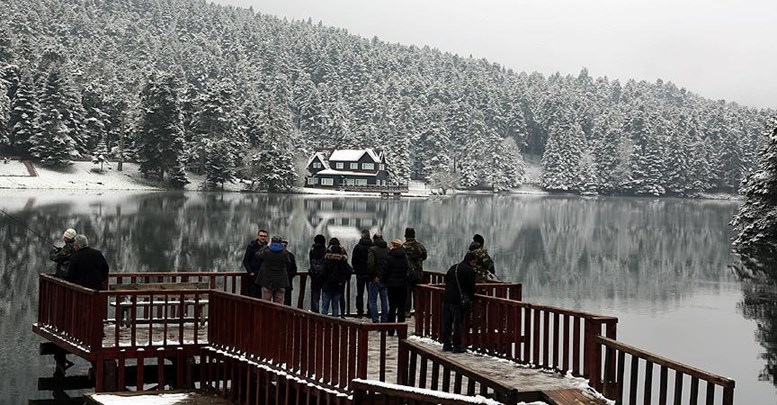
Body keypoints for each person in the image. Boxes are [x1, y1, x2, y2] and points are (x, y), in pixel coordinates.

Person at [440, 252, 476, 353]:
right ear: (471, 260)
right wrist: (470, 300)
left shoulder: (454, 267)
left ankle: (446, 344)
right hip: (458, 301)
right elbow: (471, 288)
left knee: (447, 322)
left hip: (447, 298)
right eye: (475, 262)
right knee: (457, 323)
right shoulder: (469, 271)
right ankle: (457, 346)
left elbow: (446, 280)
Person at [383, 239, 411, 332]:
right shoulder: (404, 257)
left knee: (392, 307)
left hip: (392, 286)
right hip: (402, 285)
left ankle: (391, 330)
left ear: (393, 246)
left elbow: (385, 272)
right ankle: (401, 330)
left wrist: (385, 281)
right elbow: (408, 270)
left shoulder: (389, 257)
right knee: (401, 308)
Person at [321, 238, 351, 317]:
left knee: (325, 306)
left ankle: (323, 322)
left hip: (327, 285)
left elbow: (323, 272)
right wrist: (343, 279)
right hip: (339, 286)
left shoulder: (327, 260)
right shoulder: (342, 261)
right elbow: (348, 270)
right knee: (335, 305)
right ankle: (335, 324)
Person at [256, 236, 291, 303]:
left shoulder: (267, 252)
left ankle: (266, 313)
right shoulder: (284, 253)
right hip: (281, 281)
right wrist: (283, 248)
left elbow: (257, 254)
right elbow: (288, 261)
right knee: (279, 304)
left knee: (266, 303)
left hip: (267, 281)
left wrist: (266, 246)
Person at [402, 227, 427, 317]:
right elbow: (424, 256)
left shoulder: (403, 247)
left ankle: (407, 311)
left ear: (406, 236)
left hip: (407, 274)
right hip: (418, 274)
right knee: (417, 293)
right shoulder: (420, 246)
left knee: (407, 293)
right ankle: (418, 311)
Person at [367, 232, 390, 323]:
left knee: (372, 300)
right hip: (385, 279)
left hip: (375, 279)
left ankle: (375, 320)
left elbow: (370, 264)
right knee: (384, 300)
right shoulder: (388, 250)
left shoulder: (372, 250)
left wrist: (372, 276)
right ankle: (384, 319)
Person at [351, 229, 373, 317]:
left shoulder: (357, 247)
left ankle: (359, 312)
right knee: (371, 294)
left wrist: (356, 269)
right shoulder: (373, 247)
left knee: (360, 293)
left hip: (360, 274)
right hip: (370, 274)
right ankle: (370, 311)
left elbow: (354, 260)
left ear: (361, 236)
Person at [243, 229, 269, 298]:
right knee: (253, 295)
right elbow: (245, 261)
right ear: (258, 236)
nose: (263, 237)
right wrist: (250, 272)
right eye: (261, 236)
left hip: (264, 276)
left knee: (263, 296)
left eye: (264, 236)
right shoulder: (251, 246)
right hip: (254, 275)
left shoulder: (268, 246)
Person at [308, 234, 327, 313]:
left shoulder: (313, 250)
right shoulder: (325, 250)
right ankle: (324, 312)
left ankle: (315, 311)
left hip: (314, 276)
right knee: (325, 295)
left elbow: (310, 261)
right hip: (324, 276)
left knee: (315, 295)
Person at [282, 239, 298, 306]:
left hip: (288, 281)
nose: (283, 247)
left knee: (288, 300)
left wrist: (290, 275)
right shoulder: (275, 255)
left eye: (285, 246)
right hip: (278, 282)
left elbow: (294, 268)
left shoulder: (290, 256)